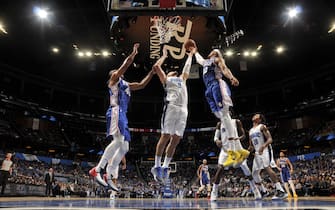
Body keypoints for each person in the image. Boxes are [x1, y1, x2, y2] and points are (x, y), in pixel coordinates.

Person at [89, 43, 155, 191]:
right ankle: (98, 169)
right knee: (118, 141)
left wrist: (152, 72)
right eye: (118, 72)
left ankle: (109, 174)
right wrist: (133, 53)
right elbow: (126, 65)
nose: (119, 72)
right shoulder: (113, 80)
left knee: (125, 146)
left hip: (123, 114)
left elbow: (141, 84)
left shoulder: (126, 84)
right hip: (115, 111)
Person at [190, 45, 247, 167]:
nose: (211, 51)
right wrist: (195, 51)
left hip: (216, 85)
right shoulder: (206, 62)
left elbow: (224, 68)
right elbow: (199, 59)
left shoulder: (217, 60)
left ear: (216, 54)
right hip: (208, 89)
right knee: (220, 116)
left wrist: (231, 77)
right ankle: (239, 149)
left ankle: (234, 151)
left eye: (214, 51)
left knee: (225, 115)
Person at [151, 46, 193, 183]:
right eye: (171, 72)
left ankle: (164, 167)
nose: (174, 72)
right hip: (171, 107)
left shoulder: (182, 79)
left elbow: (187, 68)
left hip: (183, 110)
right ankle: (156, 166)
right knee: (166, 136)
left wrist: (190, 55)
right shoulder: (166, 80)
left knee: (176, 139)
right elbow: (156, 67)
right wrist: (164, 56)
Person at [210, 120, 261, 201]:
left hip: (237, 149)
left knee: (246, 170)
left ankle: (255, 190)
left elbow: (243, 135)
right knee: (220, 168)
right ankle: (214, 192)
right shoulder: (220, 123)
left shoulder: (236, 121)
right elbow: (215, 137)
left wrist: (238, 138)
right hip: (226, 151)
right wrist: (217, 141)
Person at [248, 113, 287, 200]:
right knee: (254, 173)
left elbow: (270, 139)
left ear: (260, 119)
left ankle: (281, 191)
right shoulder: (250, 131)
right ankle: (264, 191)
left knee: (267, 168)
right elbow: (251, 146)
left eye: (257, 115)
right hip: (257, 153)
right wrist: (247, 151)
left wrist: (263, 146)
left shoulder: (262, 127)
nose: (254, 116)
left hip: (265, 150)